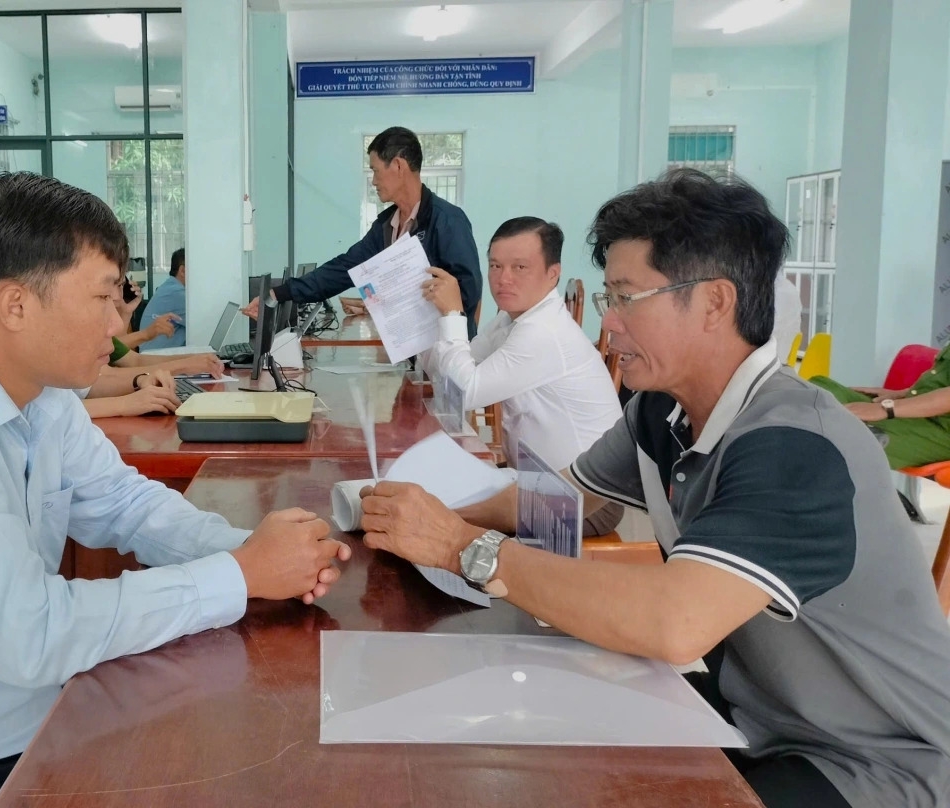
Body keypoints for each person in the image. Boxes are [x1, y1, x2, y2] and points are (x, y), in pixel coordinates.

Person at [359, 169, 950, 808]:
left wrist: (461, 548)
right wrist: (426, 520)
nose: (609, 325)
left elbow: (675, 624)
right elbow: (561, 500)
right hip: (755, 714)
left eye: (627, 298)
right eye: (608, 298)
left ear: (715, 303)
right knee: (521, 731)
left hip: (871, 761)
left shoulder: (794, 444)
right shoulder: (661, 409)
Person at [0, 172, 352, 808]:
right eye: (105, 297)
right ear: (16, 306)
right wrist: (239, 576)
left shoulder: (40, 393)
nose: (117, 323)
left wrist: (253, 551)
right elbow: (30, 635)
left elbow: (125, 504)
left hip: (14, 724)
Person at [419, 216, 624, 535]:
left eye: (520, 267)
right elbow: (448, 375)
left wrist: (453, 315)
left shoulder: (543, 332)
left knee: (438, 514)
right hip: (537, 479)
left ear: (553, 273)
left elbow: (465, 392)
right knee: (432, 491)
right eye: (495, 266)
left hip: (586, 499)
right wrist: (423, 320)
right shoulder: (511, 319)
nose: (503, 279)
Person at [242, 126, 484, 337]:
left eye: (375, 170)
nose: (374, 181)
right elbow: (343, 269)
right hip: (414, 354)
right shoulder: (386, 226)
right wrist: (279, 293)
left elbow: (468, 294)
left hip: (448, 352)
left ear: (398, 165)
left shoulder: (447, 221)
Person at [809, 342, 950, 469]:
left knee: (849, 435)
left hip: (941, 432)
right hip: (914, 408)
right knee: (819, 388)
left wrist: (886, 409)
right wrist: (901, 393)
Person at [137, 247, 188, 351]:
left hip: (152, 352)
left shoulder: (170, 287)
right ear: (182, 271)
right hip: (153, 356)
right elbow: (202, 323)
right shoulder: (176, 293)